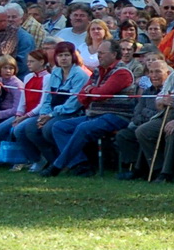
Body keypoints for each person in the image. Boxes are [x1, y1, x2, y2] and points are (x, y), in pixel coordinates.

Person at [45, 43, 139, 177]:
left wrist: (92, 92)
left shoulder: (122, 72)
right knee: (59, 126)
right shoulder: (97, 72)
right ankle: (80, 165)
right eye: (98, 53)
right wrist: (93, 93)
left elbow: (102, 94)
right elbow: (82, 96)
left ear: (114, 54)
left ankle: (57, 166)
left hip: (117, 116)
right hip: (95, 114)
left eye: (102, 53)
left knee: (83, 128)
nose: (98, 56)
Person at [12, 44, 89, 172]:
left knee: (48, 128)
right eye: (60, 55)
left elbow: (73, 103)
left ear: (73, 57)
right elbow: (47, 97)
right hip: (52, 112)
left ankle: (67, 162)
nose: (63, 58)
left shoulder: (80, 75)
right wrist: (44, 114)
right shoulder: (55, 72)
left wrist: (51, 115)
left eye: (67, 55)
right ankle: (52, 161)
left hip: (72, 112)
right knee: (28, 128)